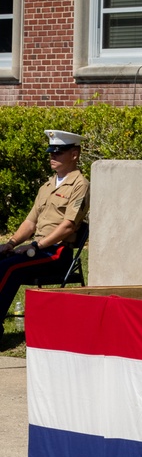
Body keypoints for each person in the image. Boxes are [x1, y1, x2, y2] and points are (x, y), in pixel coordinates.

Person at [0, 130, 89, 326]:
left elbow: (68, 226)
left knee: (10, 267)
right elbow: (30, 222)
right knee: (3, 259)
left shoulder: (80, 185)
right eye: (51, 152)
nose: (52, 156)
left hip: (56, 252)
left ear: (74, 154)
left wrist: (35, 246)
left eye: (58, 152)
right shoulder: (47, 186)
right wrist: (11, 243)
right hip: (36, 250)